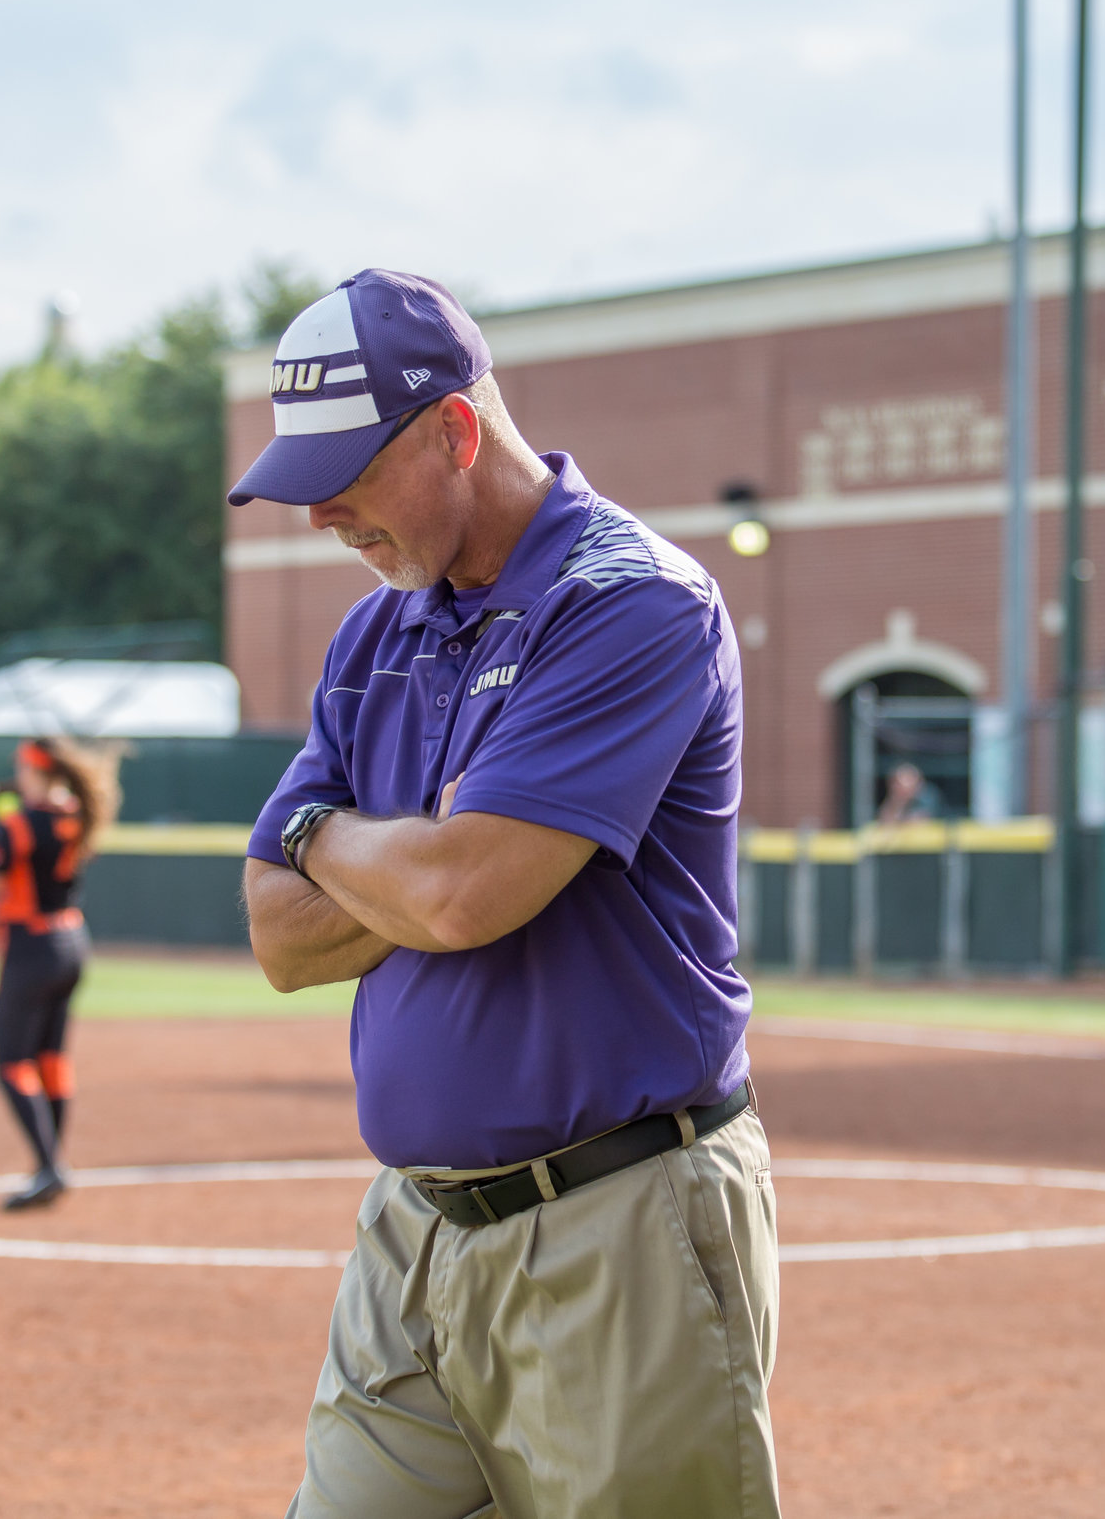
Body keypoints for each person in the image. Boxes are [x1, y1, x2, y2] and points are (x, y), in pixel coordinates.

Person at [231, 270, 775, 1518]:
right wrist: (371, 848)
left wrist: (329, 835)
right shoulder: (377, 634)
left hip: (615, 1225)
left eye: (345, 476)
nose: (320, 515)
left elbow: (466, 892)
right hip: (412, 1231)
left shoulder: (633, 601)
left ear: (454, 433)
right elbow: (279, 934)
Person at [0, 735, 121, 1211]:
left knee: (12, 1065)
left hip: (29, 947)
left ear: (40, 772)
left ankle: (49, 1166)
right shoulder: (75, 815)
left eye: (24, 769)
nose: (18, 777)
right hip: (70, 943)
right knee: (50, 1059)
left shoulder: (19, 825)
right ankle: (51, 1164)